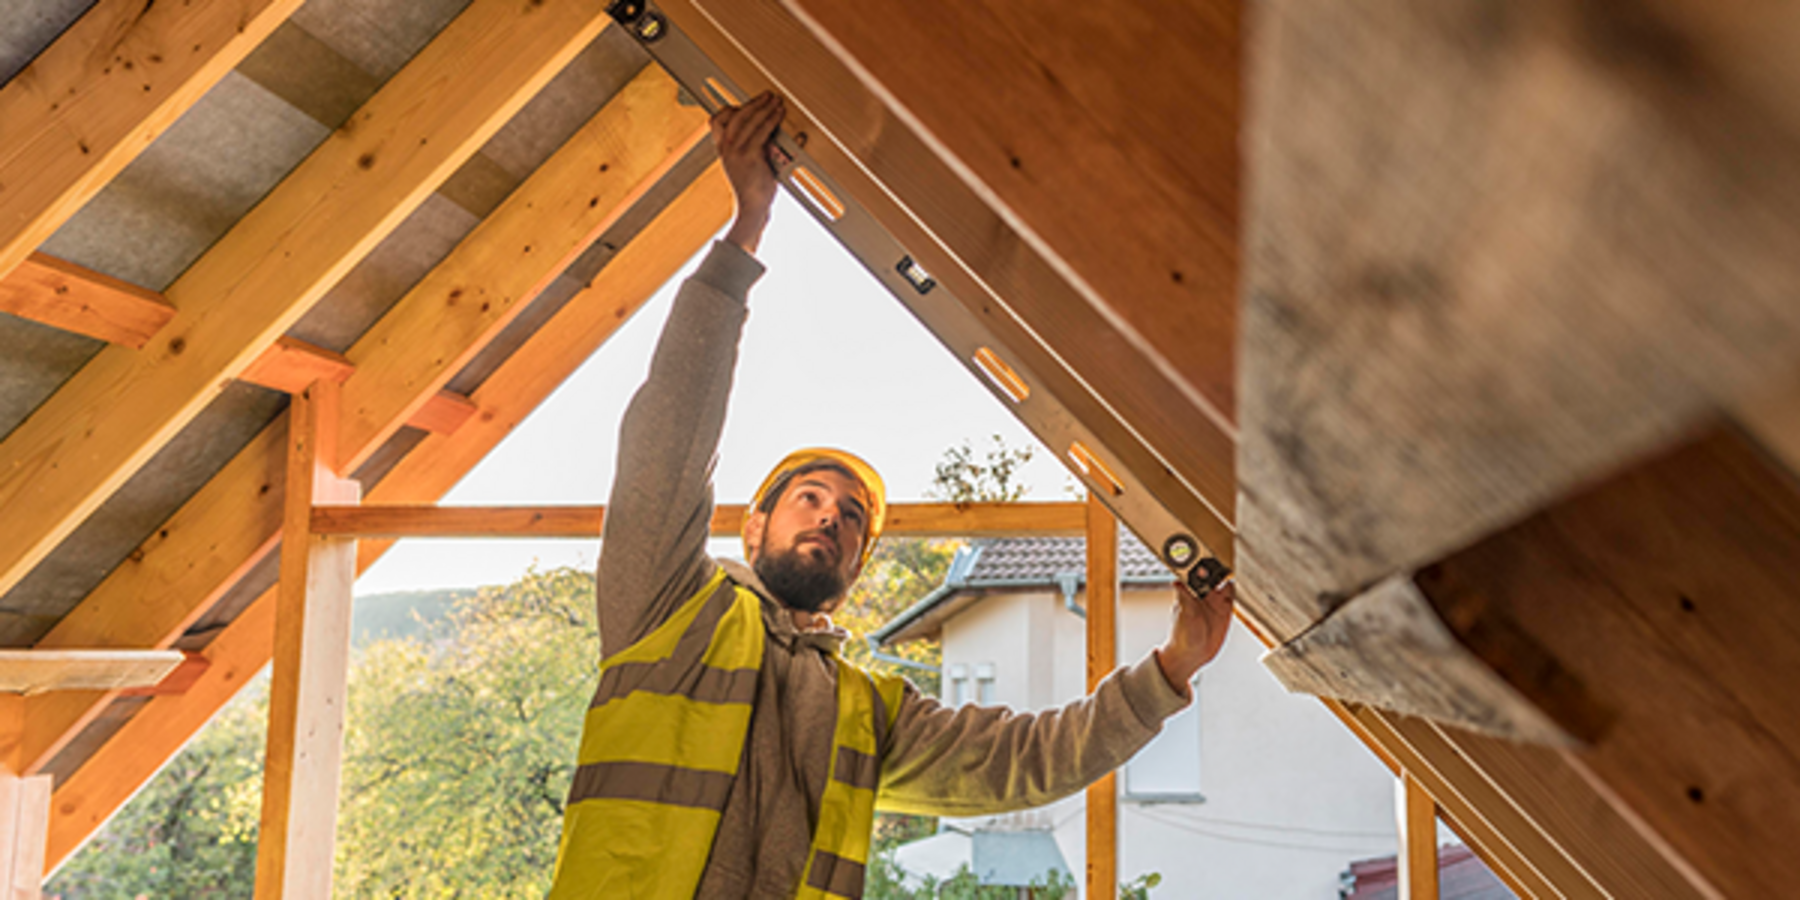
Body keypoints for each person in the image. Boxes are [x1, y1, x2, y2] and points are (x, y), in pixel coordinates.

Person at [547, 91, 1236, 900]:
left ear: (857, 569)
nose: (832, 518)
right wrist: (744, 234)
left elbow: (1023, 763)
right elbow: (669, 438)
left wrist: (1172, 667)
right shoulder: (666, 607)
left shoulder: (861, 710)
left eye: (851, 521)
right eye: (809, 497)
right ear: (752, 523)